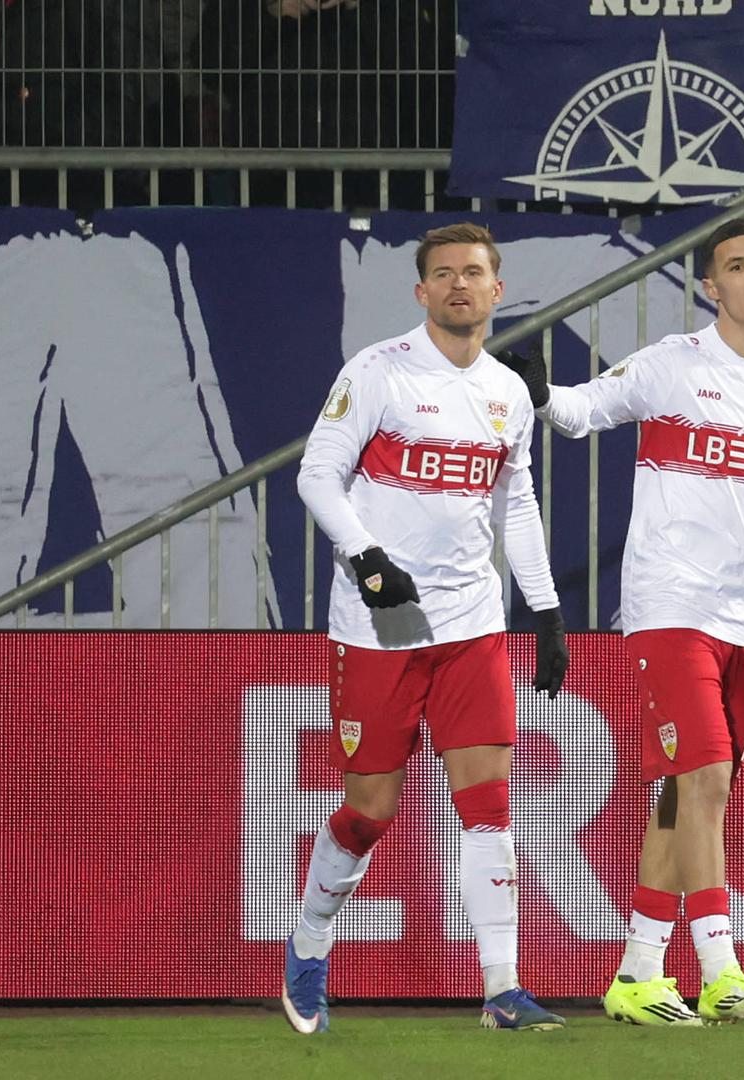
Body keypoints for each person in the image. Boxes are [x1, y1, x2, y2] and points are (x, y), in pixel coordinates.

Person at [497, 218, 744, 1027]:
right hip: (666, 610)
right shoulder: (671, 367)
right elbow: (582, 413)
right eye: (736, 267)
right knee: (707, 779)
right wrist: (540, 394)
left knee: (682, 797)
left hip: (742, 621)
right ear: (711, 289)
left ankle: (639, 973)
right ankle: (721, 969)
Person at [285, 222, 571, 1034]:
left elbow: (515, 504)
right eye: (442, 274)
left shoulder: (508, 393)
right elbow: (317, 474)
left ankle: (503, 989)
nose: (457, 286)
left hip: (472, 626)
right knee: (369, 811)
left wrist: (544, 611)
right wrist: (368, 560)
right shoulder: (378, 372)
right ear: (421, 292)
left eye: (472, 273)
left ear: (496, 289)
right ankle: (310, 941)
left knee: (488, 805)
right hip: (381, 628)